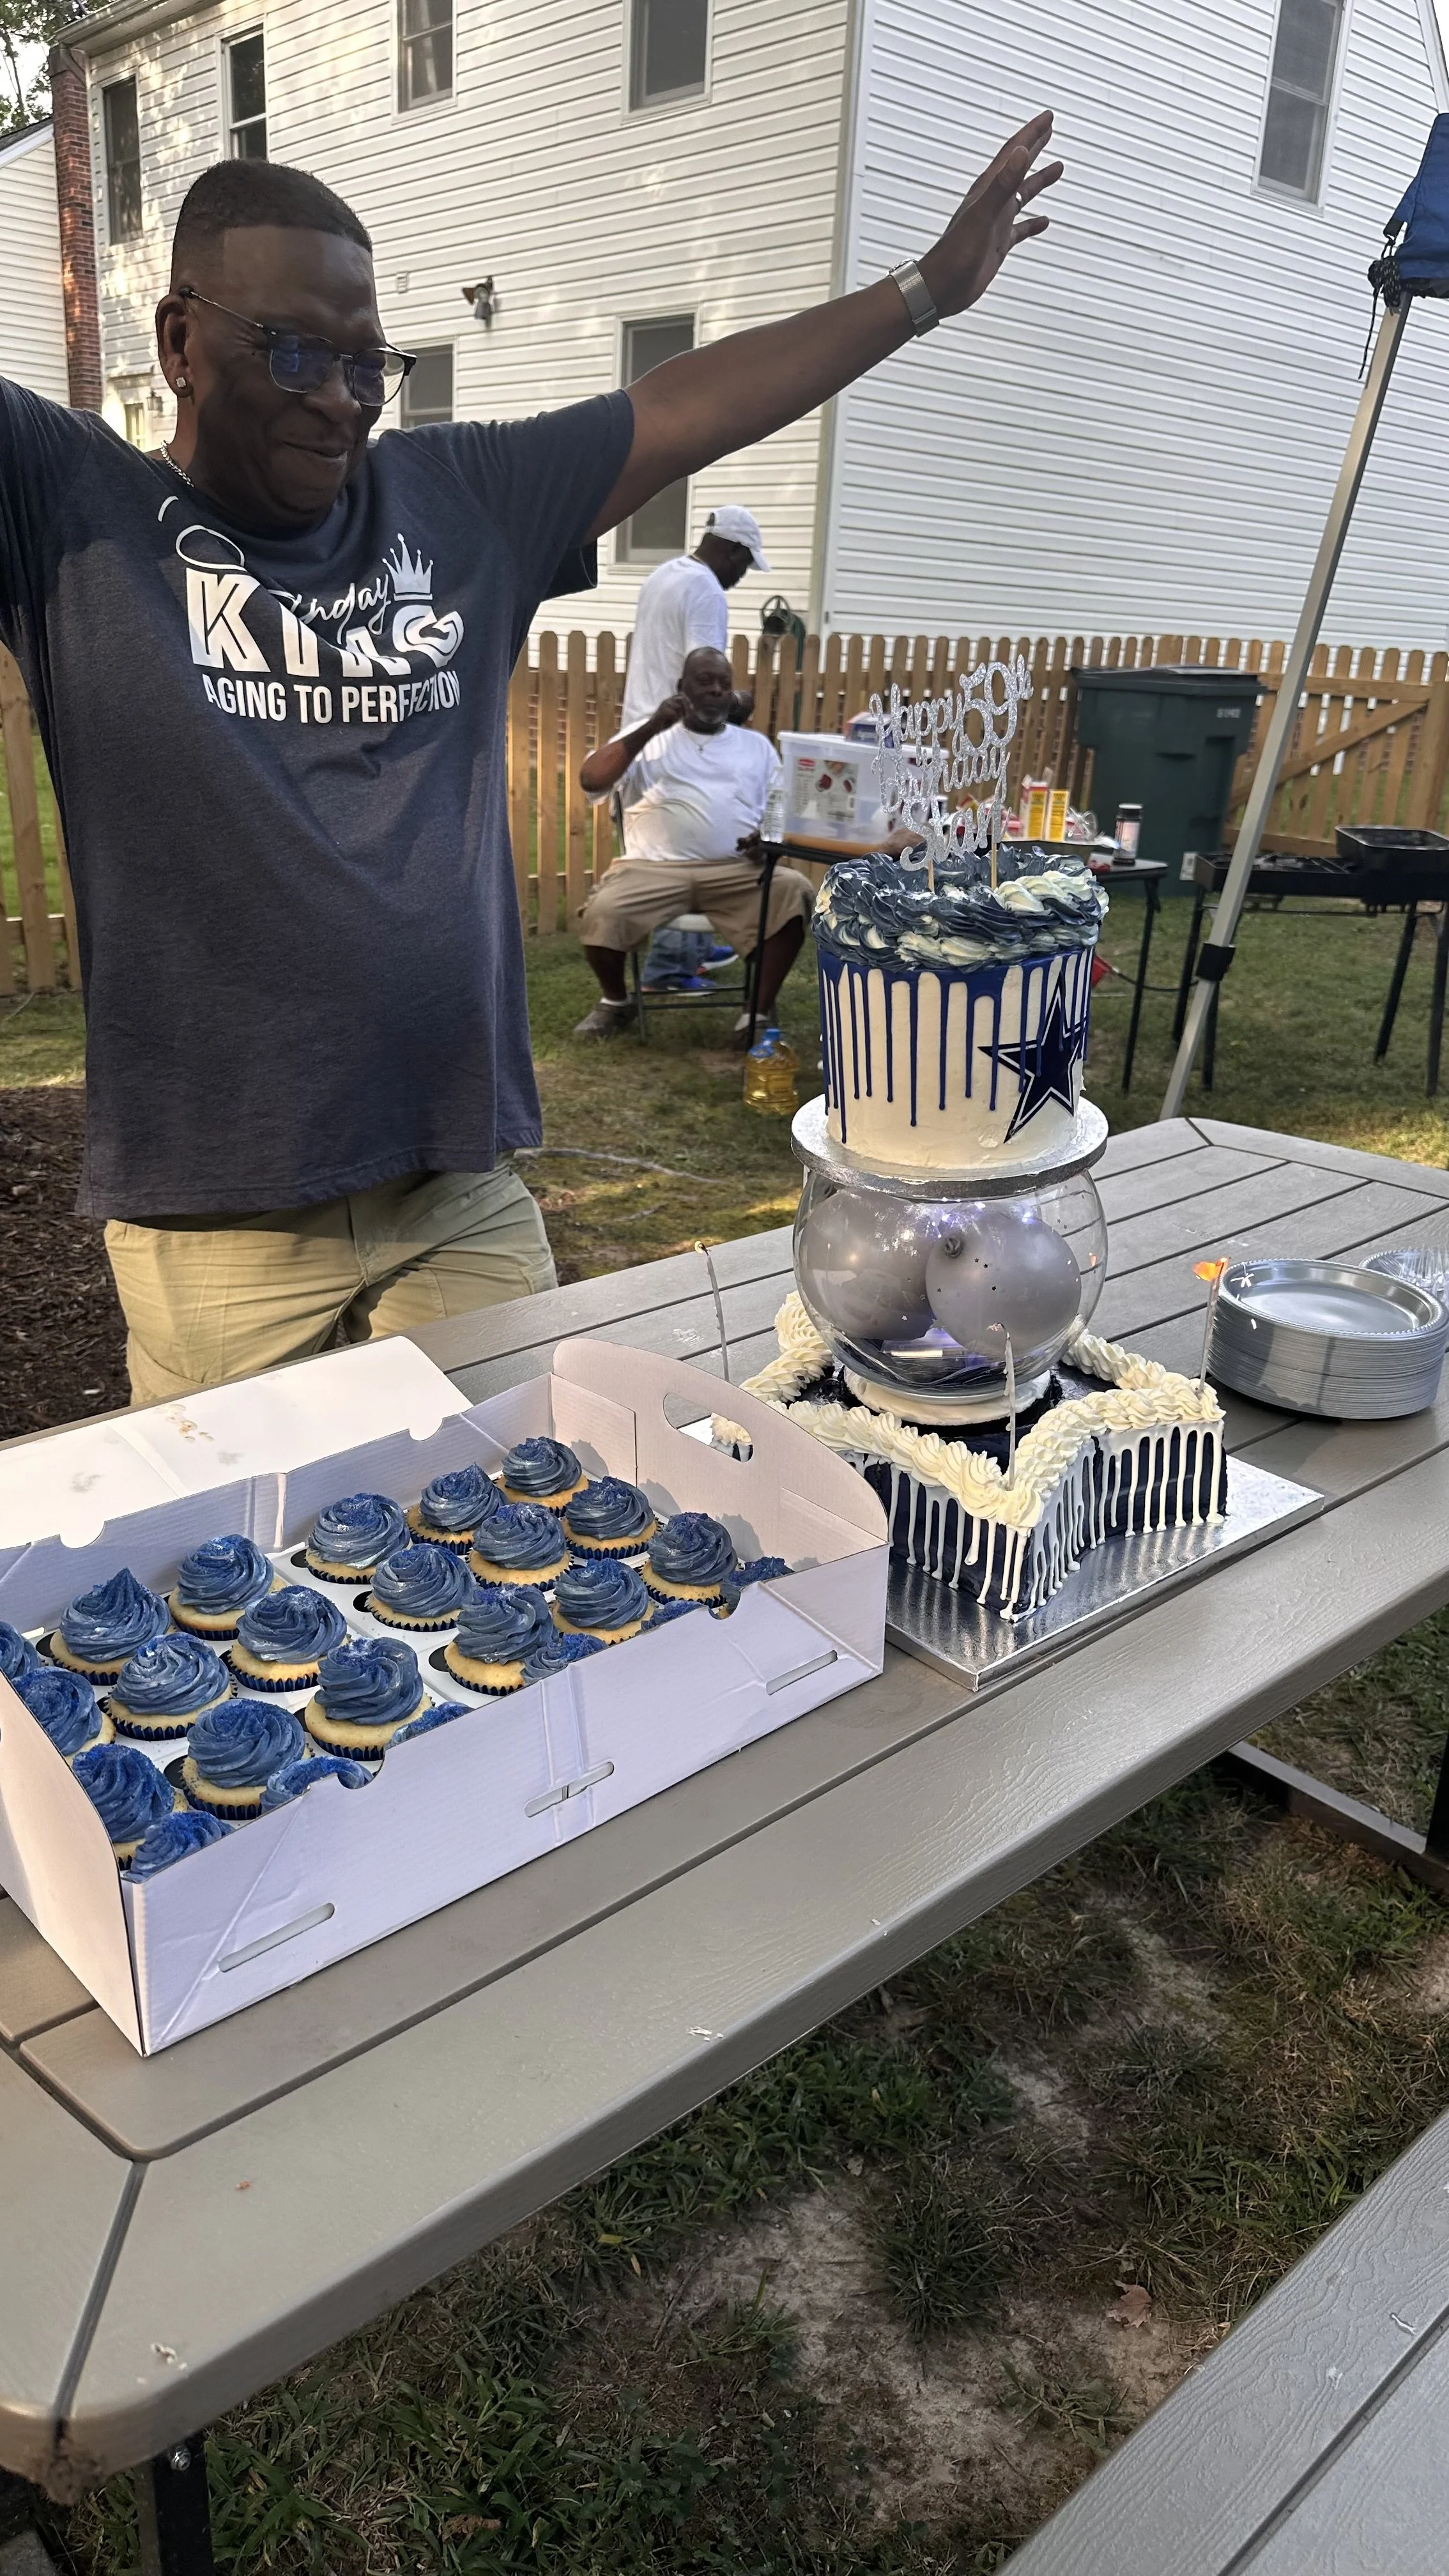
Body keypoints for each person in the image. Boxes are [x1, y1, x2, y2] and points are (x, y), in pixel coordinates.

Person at [0, 117, 1061, 1402]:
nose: (336, 398)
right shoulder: (74, 508)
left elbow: (678, 410)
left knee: (522, 1521)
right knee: (233, 1568)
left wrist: (927, 292)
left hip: (458, 1183)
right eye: (290, 350)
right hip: (219, 1221)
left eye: (364, 363)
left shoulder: (457, 501)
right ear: (179, 341)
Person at [574, 647, 815, 1036]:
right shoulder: (647, 737)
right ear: (681, 687)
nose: (717, 690)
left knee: (794, 892)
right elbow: (592, 781)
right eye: (705, 681)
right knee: (604, 909)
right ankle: (616, 1003)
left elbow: (780, 813)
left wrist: (767, 841)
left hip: (736, 871)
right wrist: (653, 726)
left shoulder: (756, 747)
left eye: (725, 683)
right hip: (650, 869)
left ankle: (755, 1015)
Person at [618, 503, 768, 732]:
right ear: (734, 551)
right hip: (674, 734)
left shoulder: (663, 574)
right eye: (745, 564)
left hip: (637, 728)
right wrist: (741, 702)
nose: (742, 575)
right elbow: (705, 679)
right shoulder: (707, 590)